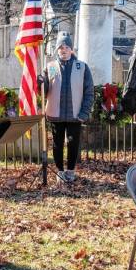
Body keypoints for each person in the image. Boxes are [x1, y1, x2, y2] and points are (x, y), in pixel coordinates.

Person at [40, 33, 94, 183]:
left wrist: (84, 112)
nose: (63, 50)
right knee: (57, 145)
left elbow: (89, 92)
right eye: (61, 47)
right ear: (57, 49)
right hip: (55, 114)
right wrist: (40, 82)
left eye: (67, 47)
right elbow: (43, 91)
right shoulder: (50, 67)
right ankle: (60, 172)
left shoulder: (82, 67)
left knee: (72, 143)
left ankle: (70, 171)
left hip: (75, 115)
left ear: (71, 49)